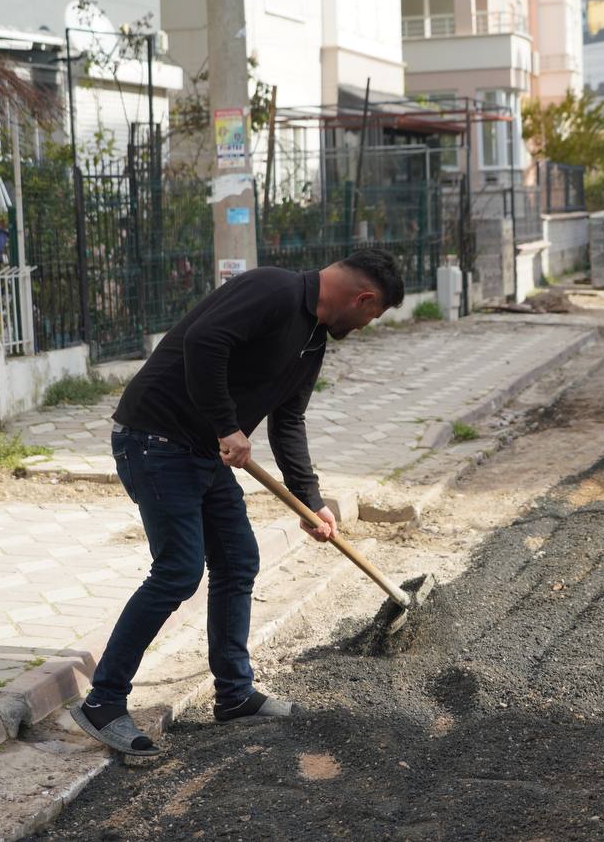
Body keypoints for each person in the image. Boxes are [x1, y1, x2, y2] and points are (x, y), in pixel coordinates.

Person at [71, 248, 406, 755]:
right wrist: (228, 426)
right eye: (371, 316)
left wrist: (312, 501)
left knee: (238, 559)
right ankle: (104, 701)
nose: (364, 327)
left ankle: (234, 694)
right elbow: (204, 343)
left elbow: (287, 421)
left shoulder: (313, 340)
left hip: (202, 450)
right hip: (155, 438)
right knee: (180, 570)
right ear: (364, 298)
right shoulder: (273, 289)